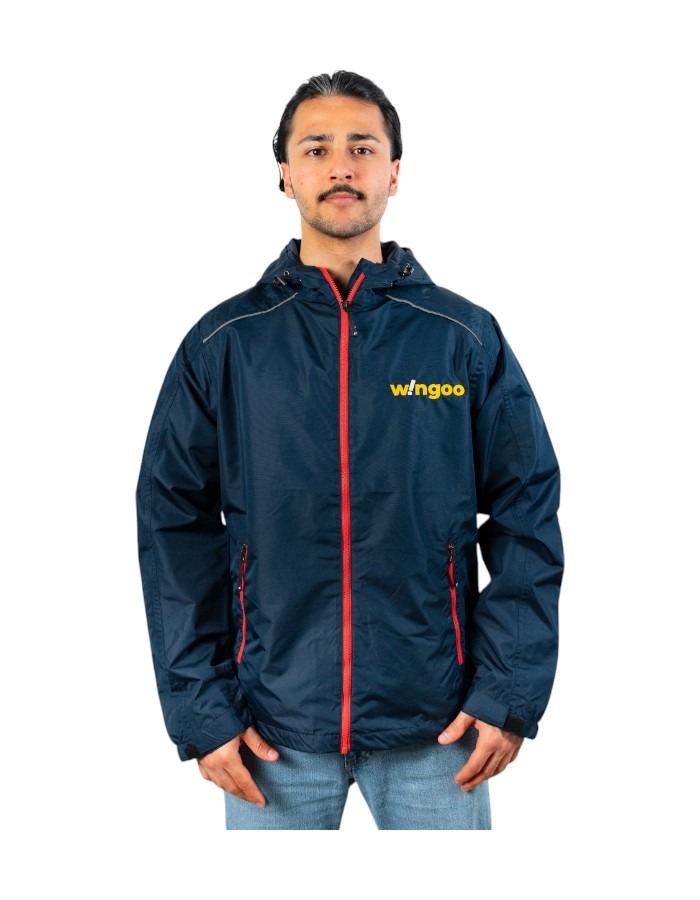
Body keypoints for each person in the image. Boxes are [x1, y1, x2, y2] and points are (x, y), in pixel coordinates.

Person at [136, 71, 564, 830]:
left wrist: (506, 692)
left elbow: (528, 507)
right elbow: (172, 522)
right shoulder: (225, 343)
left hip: (440, 728)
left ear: (394, 172)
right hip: (271, 731)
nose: (341, 165)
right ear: (284, 172)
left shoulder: (460, 337)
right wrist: (203, 710)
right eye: (317, 148)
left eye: (362, 148)